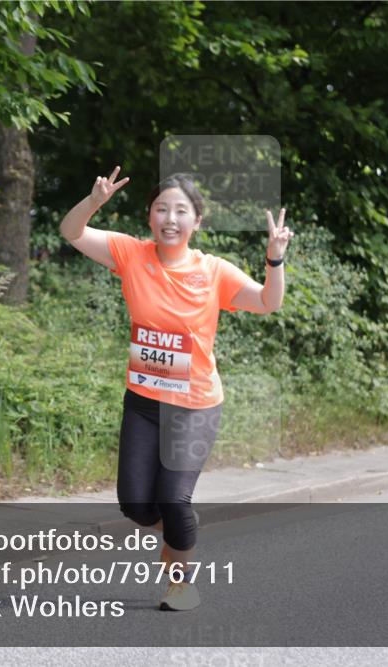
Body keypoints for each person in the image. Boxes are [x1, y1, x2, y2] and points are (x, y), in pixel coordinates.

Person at [59, 167, 293, 610]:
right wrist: (93, 201)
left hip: (195, 405)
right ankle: (175, 524)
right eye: (161, 208)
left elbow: (268, 302)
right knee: (136, 506)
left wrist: (274, 258)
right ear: (149, 216)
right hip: (144, 403)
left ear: (197, 222)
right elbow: (71, 231)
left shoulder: (214, 271)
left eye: (181, 211)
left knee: (173, 498)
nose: (170, 218)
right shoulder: (130, 254)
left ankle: (181, 584)